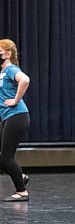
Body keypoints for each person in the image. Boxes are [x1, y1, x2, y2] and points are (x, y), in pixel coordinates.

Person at [0, 39, 31, 202]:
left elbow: (25, 80)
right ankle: (20, 176)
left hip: (17, 115)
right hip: (7, 117)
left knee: (6, 157)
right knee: (3, 157)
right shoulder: (3, 72)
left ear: (8, 54)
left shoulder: (11, 69)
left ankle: (22, 192)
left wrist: (16, 99)